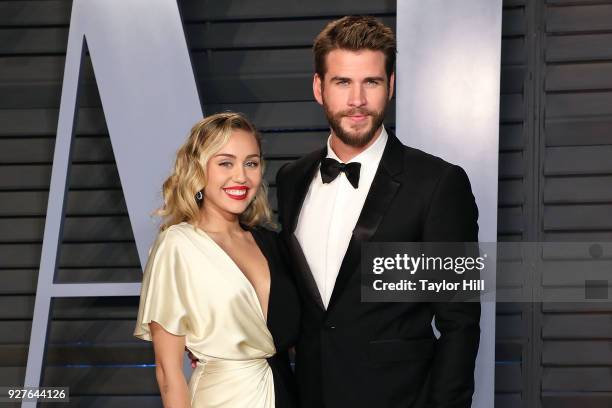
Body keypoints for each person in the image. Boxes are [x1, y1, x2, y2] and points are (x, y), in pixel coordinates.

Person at [275, 16, 481, 407]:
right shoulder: (291, 178)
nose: (357, 100)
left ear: (391, 85)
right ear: (319, 88)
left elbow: (460, 324)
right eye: (342, 82)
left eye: (370, 82)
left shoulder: (439, 184)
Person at [134, 112, 300, 408]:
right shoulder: (177, 246)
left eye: (251, 163)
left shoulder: (273, 244)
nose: (241, 176)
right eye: (225, 163)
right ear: (198, 170)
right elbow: (168, 372)